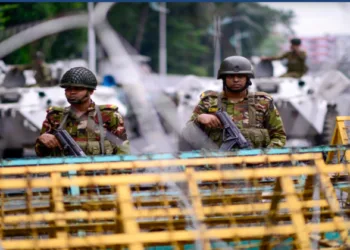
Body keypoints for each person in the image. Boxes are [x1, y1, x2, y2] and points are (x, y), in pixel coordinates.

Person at [182, 56, 286, 150]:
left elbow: (279, 137)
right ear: (224, 79)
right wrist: (199, 120)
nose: (236, 80)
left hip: (255, 167)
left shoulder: (263, 102)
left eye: (240, 76)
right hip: (215, 168)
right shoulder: (208, 102)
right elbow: (187, 136)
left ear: (247, 79)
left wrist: (264, 158)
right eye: (230, 76)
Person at [35, 67, 130, 157]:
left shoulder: (109, 115)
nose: (72, 92)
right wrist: (42, 140)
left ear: (91, 91)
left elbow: (123, 152)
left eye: (78, 88)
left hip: (100, 172)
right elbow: (40, 153)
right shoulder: (55, 116)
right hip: (65, 172)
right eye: (68, 89)